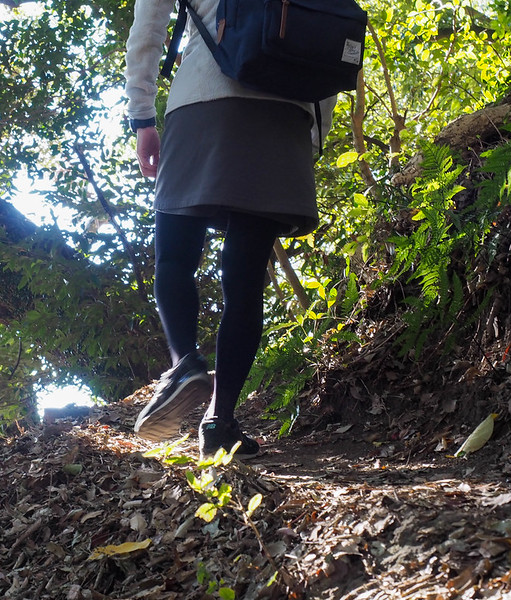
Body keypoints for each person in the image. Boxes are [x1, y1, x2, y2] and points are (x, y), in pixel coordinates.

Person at [126, 0, 336, 459]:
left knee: (176, 256)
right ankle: (220, 423)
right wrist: (313, 135)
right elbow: (328, 33)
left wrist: (142, 116)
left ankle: (185, 363)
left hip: (203, 98)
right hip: (286, 112)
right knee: (245, 284)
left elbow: (149, 24)